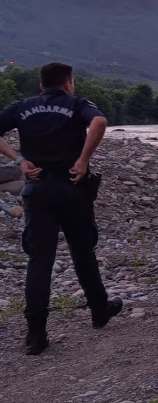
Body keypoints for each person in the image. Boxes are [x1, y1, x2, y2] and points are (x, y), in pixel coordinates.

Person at [0, 63, 123, 355]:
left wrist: (19, 160)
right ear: (68, 83)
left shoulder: (22, 107)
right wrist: (83, 160)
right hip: (72, 190)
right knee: (83, 252)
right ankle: (99, 310)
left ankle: (36, 334)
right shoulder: (78, 104)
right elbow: (99, 122)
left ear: (41, 85)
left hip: (37, 191)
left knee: (39, 260)